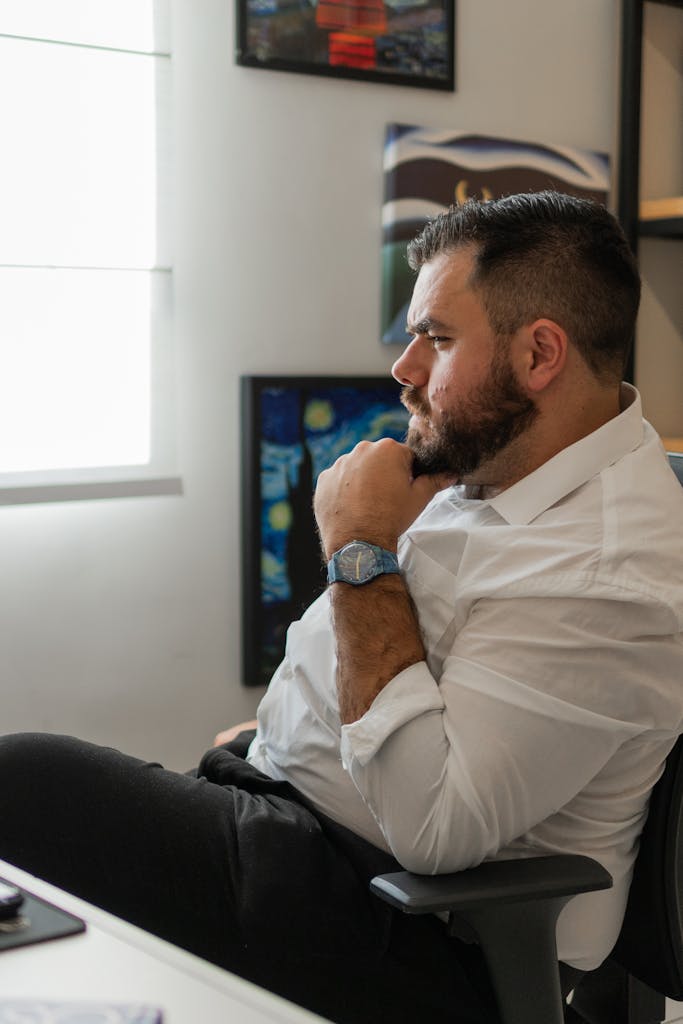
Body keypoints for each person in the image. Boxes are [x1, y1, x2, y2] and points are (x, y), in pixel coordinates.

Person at [1, 190, 683, 1024]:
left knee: (22, 785)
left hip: (407, 926)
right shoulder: (494, 464)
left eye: (435, 337)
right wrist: (276, 735)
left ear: (540, 353)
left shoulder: (608, 575)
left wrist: (359, 548)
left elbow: (433, 827)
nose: (403, 368)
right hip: (288, 817)